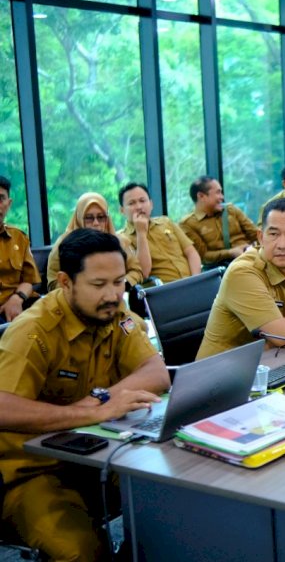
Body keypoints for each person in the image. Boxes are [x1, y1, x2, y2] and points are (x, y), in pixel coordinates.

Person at [0, 229, 170, 560]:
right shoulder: (33, 332)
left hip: (96, 452)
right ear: (65, 282)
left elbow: (156, 373)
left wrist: (102, 402)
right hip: (33, 472)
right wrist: (93, 412)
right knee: (82, 552)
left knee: (169, 508)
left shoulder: (113, 314)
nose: (112, 295)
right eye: (99, 285)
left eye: (119, 282)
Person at [196, 198, 285, 359]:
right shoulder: (242, 273)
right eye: (273, 234)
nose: (282, 244)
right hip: (221, 374)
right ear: (260, 237)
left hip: (273, 360)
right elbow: (284, 338)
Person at [46, 192, 143, 292]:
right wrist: (83, 291)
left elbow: (136, 270)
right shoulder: (64, 243)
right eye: (89, 218)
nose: (96, 223)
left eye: (101, 217)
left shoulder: (118, 241)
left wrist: (121, 283)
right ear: (79, 218)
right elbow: (53, 282)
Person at [118, 182, 201, 283]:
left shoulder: (166, 222)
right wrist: (141, 234)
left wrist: (196, 280)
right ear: (122, 210)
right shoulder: (122, 239)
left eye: (142, 200)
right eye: (132, 203)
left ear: (151, 204)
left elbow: (191, 252)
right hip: (163, 291)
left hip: (191, 282)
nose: (139, 206)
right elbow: (143, 273)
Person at [179, 175, 259, 268]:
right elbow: (203, 256)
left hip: (250, 258)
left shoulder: (231, 210)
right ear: (201, 196)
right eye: (218, 193)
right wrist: (230, 253)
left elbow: (255, 234)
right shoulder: (188, 224)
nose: (222, 197)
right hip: (220, 269)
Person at [0, 175, 39, 323]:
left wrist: (17, 299)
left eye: (1, 199)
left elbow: (29, 280)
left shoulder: (19, 238)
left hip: (21, 303)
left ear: (8, 204)